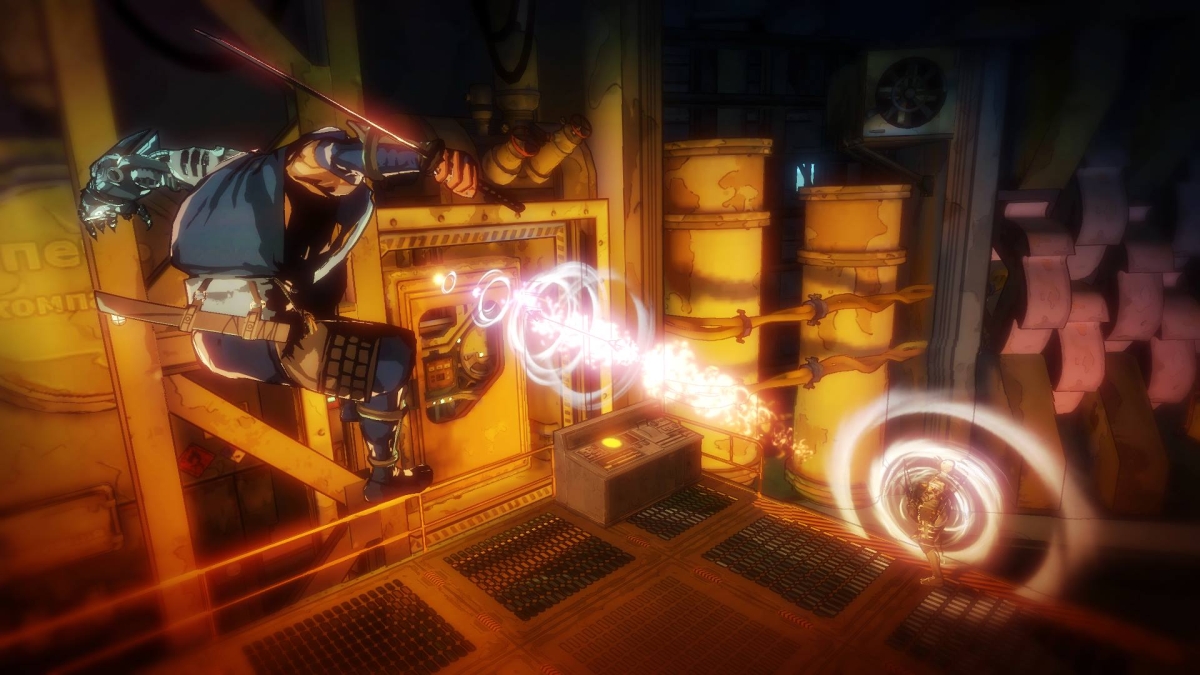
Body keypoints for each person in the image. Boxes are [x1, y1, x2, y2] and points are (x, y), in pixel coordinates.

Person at [77, 124, 479, 502]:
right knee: (392, 359)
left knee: (348, 333)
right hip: (257, 336)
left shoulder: (231, 166)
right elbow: (329, 158)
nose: (344, 184)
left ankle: (358, 404)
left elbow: (160, 166)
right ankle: (383, 477)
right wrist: (426, 162)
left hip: (228, 332)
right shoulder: (305, 163)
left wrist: (102, 192)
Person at [905, 459, 956, 587]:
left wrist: (918, 498)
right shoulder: (941, 478)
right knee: (925, 541)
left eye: (948, 465)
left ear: (950, 469)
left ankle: (937, 577)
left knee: (926, 545)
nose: (944, 465)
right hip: (929, 512)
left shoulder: (942, 480)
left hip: (930, 513)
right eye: (944, 463)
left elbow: (933, 495)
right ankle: (921, 533)